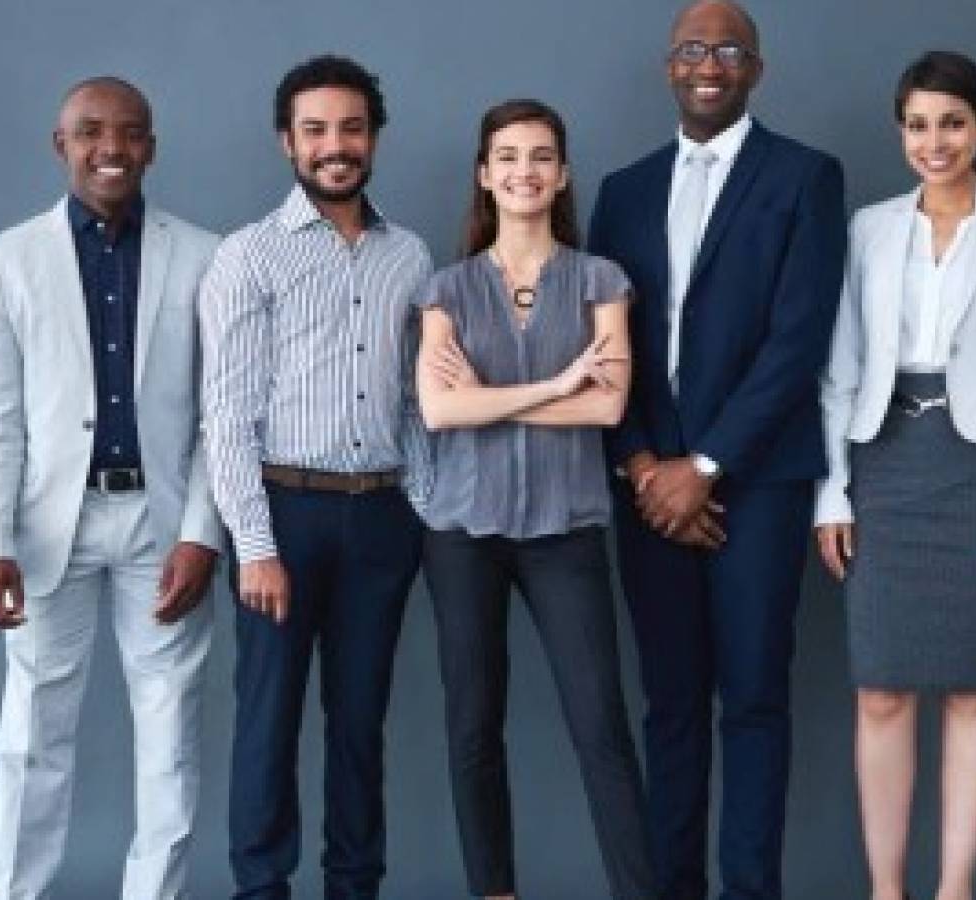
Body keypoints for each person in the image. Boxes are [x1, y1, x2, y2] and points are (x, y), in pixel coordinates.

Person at [587, 1, 847, 896]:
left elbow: (797, 338)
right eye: (694, 49)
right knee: (670, 709)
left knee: (754, 703)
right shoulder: (623, 189)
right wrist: (644, 468)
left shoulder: (805, 177)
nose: (711, 63)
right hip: (647, 487)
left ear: (755, 70)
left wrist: (705, 468)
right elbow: (604, 344)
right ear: (670, 67)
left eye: (729, 50)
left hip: (759, 485)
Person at [815, 51, 976, 900]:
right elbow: (840, 369)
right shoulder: (869, 229)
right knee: (881, 691)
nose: (935, 141)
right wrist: (831, 492)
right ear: (902, 131)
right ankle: (887, 890)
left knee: (969, 689)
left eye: (953, 122)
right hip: (882, 466)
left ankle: (955, 890)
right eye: (918, 124)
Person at [0, 77, 223, 899]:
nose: (110, 148)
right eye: (90, 132)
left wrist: (201, 533)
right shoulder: (10, 258)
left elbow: (223, 414)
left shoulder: (204, 255)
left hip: (162, 525)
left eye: (129, 133)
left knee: (168, 743)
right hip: (51, 529)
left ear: (152, 146)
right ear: (61, 144)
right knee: (32, 740)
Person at [199, 55, 432, 899]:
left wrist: (425, 510)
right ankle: (261, 888)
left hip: (381, 519)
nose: (335, 146)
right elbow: (226, 415)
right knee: (268, 722)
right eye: (316, 130)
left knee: (359, 727)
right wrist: (254, 547)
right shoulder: (247, 257)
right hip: (282, 516)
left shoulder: (409, 254)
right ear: (286, 142)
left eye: (351, 128)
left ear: (373, 137)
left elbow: (413, 400)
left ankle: (354, 887)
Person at [414, 99, 655, 900]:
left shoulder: (600, 282)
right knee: (473, 730)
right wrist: (554, 383)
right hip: (462, 534)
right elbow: (441, 410)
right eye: (508, 156)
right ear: (485, 175)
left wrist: (499, 394)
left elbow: (608, 407)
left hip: (567, 530)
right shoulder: (444, 289)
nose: (525, 171)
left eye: (542, 156)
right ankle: (496, 892)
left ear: (563, 175)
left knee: (602, 730)